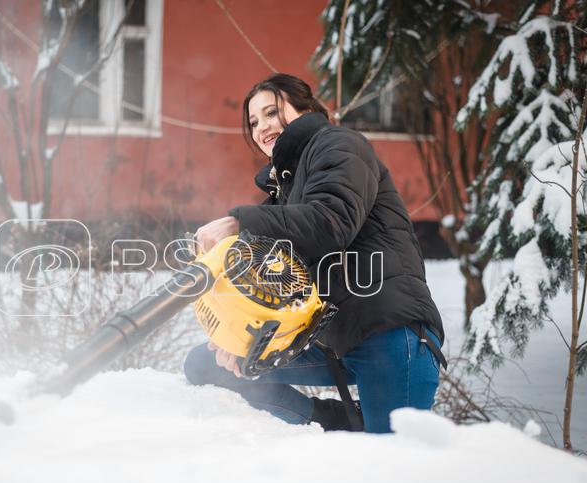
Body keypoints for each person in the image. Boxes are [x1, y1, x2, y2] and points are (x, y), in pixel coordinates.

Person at [184, 73, 445, 433]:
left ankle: (364, 425)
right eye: (254, 121)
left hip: (389, 332)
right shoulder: (284, 191)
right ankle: (331, 421)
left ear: (306, 108)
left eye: (272, 112)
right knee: (207, 365)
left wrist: (238, 222)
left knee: (391, 465)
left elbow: (330, 223)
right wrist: (236, 336)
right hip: (333, 339)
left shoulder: (339, 145)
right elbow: (276, 284)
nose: (262, 127)